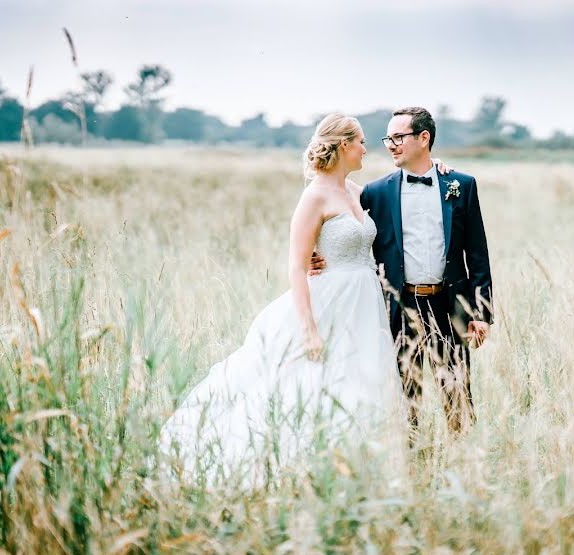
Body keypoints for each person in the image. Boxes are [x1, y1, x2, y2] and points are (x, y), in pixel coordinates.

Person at [159, 113, 427, 487]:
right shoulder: (314, 196)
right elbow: (297, 267)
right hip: (328, 302)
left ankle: (362, 477)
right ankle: (297, 473)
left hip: (365, 307)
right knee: (316, 386)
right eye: (362, 141)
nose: (368, 149)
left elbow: (407, 183)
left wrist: (439, 166)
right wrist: (309, 329)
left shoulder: (356, 192)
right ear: (344, 145)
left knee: (364, 386)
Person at [310, 107, 493, 441]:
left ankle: (464, 465)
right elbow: (336, 216)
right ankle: (413, 465)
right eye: (388, 138)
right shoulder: (374, 193)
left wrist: (482, 313)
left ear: (424, 138)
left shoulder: (460, 185)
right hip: (397, 307)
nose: (390, 145)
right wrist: (315, 254)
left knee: (458, 398)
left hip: (449, 307)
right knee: (404, 398)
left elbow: (477, 254)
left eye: (398, 137)